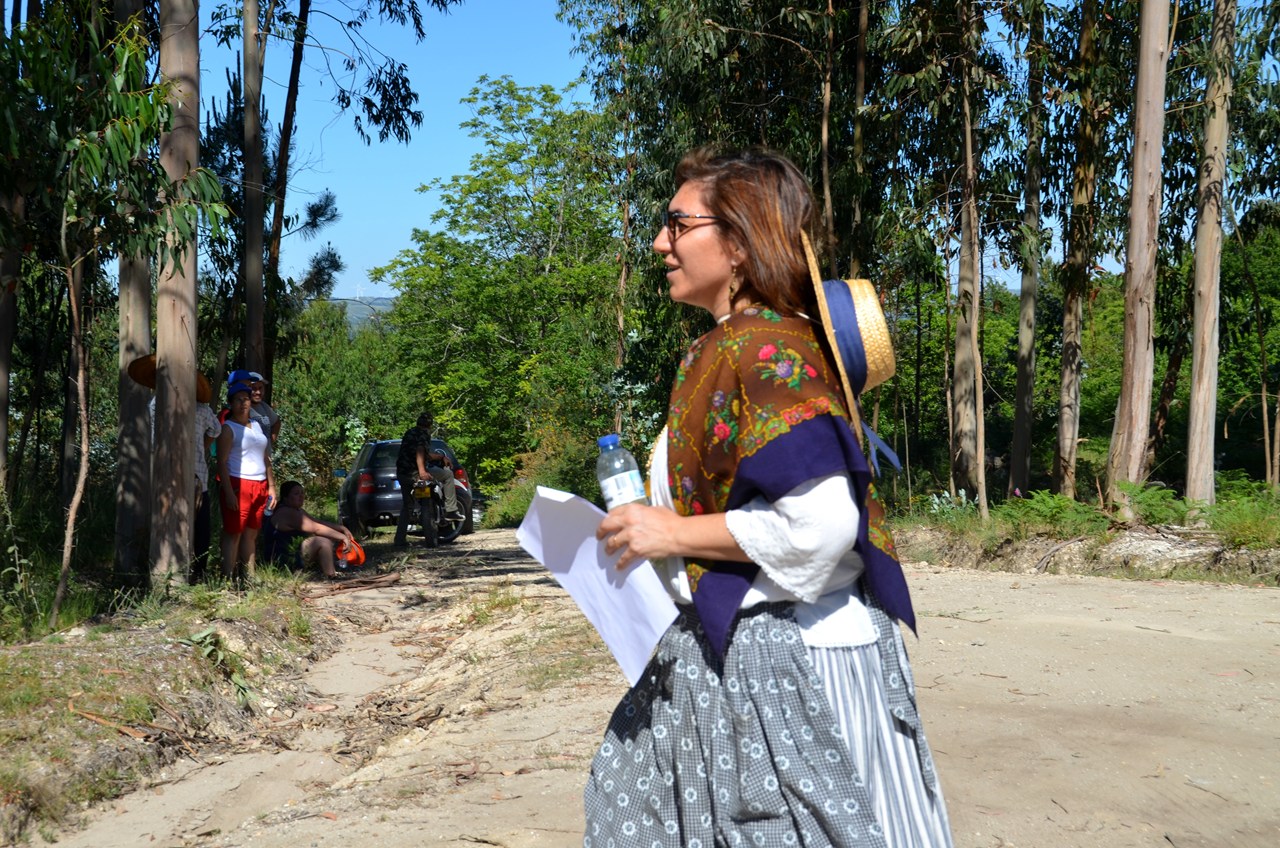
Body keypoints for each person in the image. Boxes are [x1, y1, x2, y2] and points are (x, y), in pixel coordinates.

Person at [589, 147, 953, 847]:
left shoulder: (763, 352)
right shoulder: (740, 348)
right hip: (761, 656)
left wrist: (670, 534)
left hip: (792, 663)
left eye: (677, 223)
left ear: (738, 242)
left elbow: (817, 527)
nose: (660, 242)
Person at [216, 380, 276, 584]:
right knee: (234, 532)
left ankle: (249, 577)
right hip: (238, 483)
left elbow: (265, 457)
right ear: (231, 404)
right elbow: (221, 462)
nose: (243, 403)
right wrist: (228, 491)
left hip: (260, 484)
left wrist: (272, 487)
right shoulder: (228, 428)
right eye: (238, 400)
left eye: (246, 399)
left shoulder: (257, 426)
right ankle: (227, 579)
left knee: (251, 533)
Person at [393, 412, 463, 547]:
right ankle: (451, 510)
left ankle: (399, 540)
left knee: (407, 506)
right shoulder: (424, 434)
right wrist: (422, 472)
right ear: (430, 425)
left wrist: (440, 457)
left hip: (402, 473)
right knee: (448, 475)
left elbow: (424, 454)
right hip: (415, 472)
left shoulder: (410, 433)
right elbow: (420, 451)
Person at [263, 480, 355, 579]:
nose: (301, 496)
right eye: (296, 494)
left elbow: (316, 521)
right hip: (281, 560)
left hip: (292, 553)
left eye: (302, 493)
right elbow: (316, 528)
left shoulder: (297, 510)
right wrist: (343, 537)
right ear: (285, 497)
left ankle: (327, 569)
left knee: (329, 536)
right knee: (322, 541)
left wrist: (341, 528)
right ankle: (331, 575)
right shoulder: (286, 512)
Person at [228, 368, 280, 443]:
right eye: (253, 388)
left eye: (260, 388)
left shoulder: (264, 407)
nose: (258, 392)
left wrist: (269, 442)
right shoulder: (233, 413)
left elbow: (277, 422)